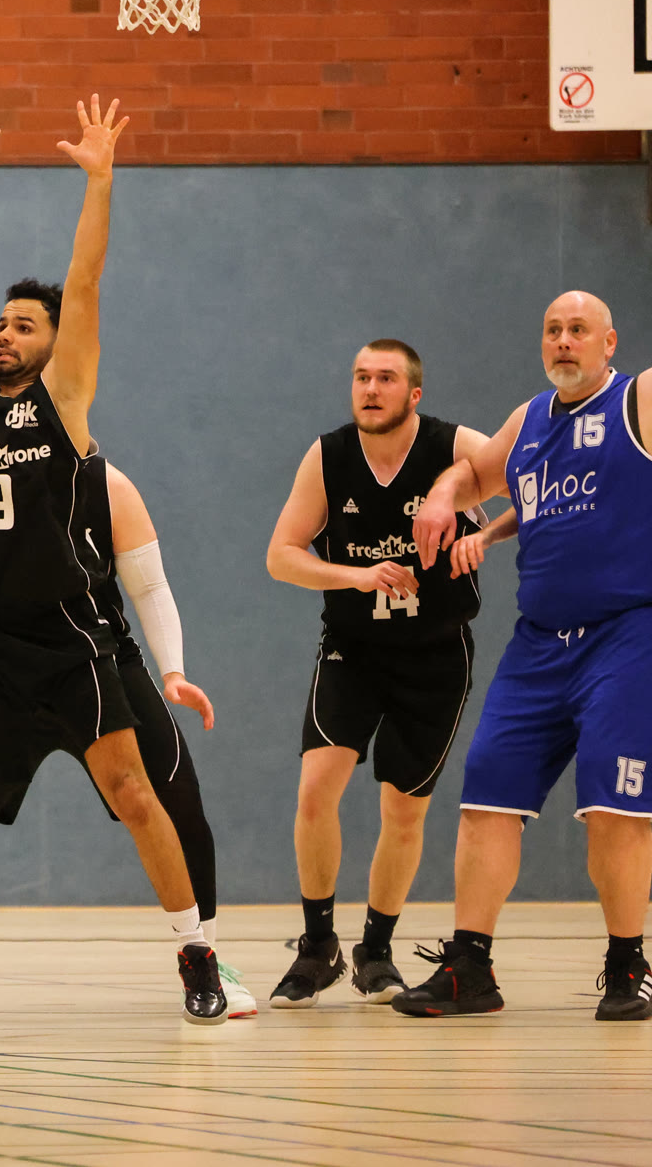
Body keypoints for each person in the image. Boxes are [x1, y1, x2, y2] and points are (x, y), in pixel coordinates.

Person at [0, 85, 227, 1027]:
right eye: (5, 323)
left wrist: (100, 182)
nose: (5, 333)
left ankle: (196, 952)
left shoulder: (64, 405)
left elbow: (87, 279)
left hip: (71, 638)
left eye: (25, 325)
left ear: (57, 344)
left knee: (134, 792)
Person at [0, 455, 255, 1019]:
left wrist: (172, 670)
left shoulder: (105, 483)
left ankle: (205, 955)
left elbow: (150, 586)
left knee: (171, 796)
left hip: (94, 659)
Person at [400, 291, 652, 1020]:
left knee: (612, 808)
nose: (564, 341)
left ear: (609, 342)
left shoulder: (636, 401)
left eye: (579, 330)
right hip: (539, 643)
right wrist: (443, 497)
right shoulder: (530, 419)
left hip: (627, 635)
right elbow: (472, 474)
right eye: (553, 330)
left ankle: (627, 966)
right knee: (486, 797)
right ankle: (469, 970)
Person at [262, 340, 488, 1007]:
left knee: (403, 807)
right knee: (316, 789)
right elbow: (281, 555)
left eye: (385, 378)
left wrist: (488, 533)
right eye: (361, 376)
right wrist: (355, 576)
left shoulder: (455, 446)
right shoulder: (329, 455)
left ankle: (376, 950)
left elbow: (535, 482)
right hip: (354, 649)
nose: (370, 388)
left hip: (436, 654)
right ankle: (317, 946)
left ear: (414, 394)